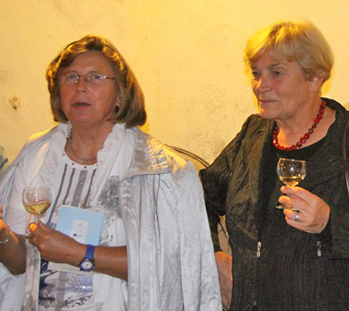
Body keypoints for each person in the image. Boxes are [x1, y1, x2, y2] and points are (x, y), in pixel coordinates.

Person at [0, 35, 221, 310]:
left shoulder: (160, 170)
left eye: (95, 77)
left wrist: (79, 253)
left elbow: (169, 268)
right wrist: (2, 235)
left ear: (120, 96)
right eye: (70, 77)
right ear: (57, 92)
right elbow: (20, 264)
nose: (80, 87)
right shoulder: (36, 156)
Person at [200, 20, 349, 311]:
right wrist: (212, 257)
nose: (261, 86)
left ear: (315, 78)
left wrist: (329, 224)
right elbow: (195, 200)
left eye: (276, 73)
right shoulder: (252, 136)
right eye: (256, 73)